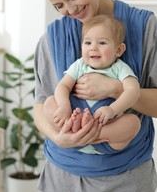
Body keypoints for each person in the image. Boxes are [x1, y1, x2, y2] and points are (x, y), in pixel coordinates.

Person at [34, 0, 157, 191]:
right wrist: (58, 137)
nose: (70, 10)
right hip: (60, 175)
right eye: (59, 5)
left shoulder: (146, 28)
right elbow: (41, 105)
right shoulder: (51, 38)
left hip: (125, 176)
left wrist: (115, 89)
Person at [43, 15, 141, 153]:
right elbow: (63, 86)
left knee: (133, 123)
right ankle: (76, 128)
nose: (93, 48)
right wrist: (64, 105)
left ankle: (89, 132)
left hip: (105, 131)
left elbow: (133, 91)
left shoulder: (120, 68)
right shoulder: (80, 65)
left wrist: (112, 110)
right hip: (72, 126)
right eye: (88, 43)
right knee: (49, 103)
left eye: (102, 43)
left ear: (118, 50)